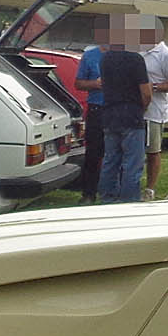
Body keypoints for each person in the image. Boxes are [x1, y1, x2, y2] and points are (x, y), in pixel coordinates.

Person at [96, 16, 153, 203]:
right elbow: (146, 92)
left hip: (110, 113)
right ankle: (129, 201)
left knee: (110, 159)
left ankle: (107, 197)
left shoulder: (105, 59)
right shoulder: (135, 59)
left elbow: (104, 85)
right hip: (131, 114)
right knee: (132, 163)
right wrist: (142, 108)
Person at [139, 17, 168, 199]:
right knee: (134, 151)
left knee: (153, 151)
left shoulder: (165, 54)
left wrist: (153, 87)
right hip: (136, 109)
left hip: (154, 111)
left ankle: (150, 189)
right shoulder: (138, 51)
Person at [73, 17, 108, 204]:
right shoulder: (89, 56)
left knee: (115, 153)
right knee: (93, 154)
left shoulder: (123, 55)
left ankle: (112, 193)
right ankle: (88, 193)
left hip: (116, 110)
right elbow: (78, 83)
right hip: (96, 109)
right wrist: (95, 84)